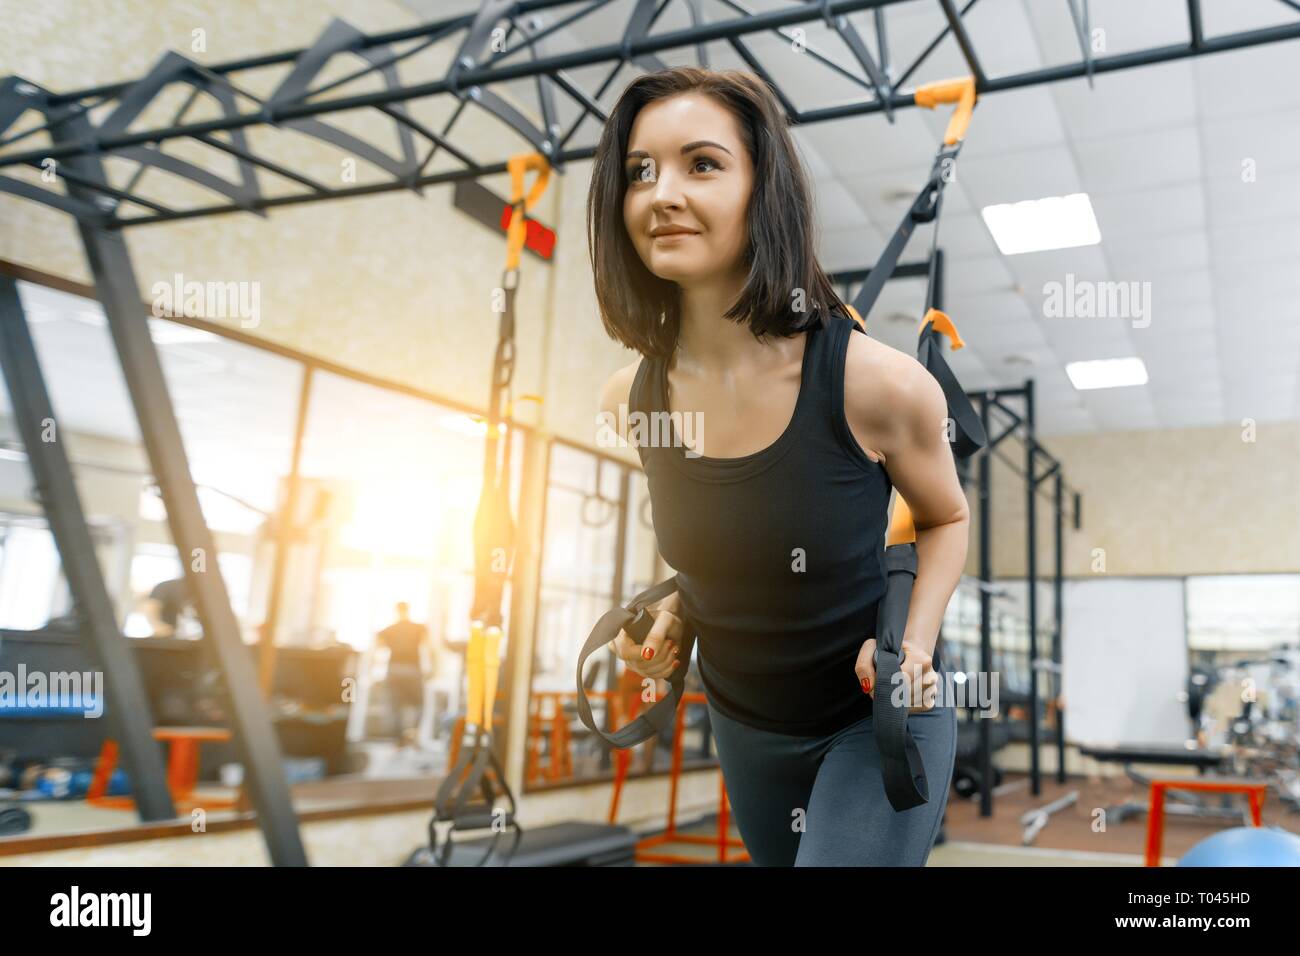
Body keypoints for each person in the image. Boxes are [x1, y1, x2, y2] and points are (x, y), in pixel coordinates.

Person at [591, 68, 970, 866]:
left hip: (871, 718)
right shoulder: (632, 396)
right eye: (639, 170)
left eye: (701, 164)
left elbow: (947, 518)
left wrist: (919, 646)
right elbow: (727, 537)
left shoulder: (879, 383)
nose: (662, 193)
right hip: (744, 721)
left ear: (763, 190)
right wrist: (678, 614)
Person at [376, 602, 434, 746]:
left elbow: (379, 647)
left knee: (395, 705)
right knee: (419, 704)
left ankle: (398, 741)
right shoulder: (419, 628)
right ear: (408, 611)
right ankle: (413, 735)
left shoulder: (389, 630)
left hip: (394, 669)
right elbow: (429, 648)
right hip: (412, 669)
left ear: (397, 611)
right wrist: (431, 668)